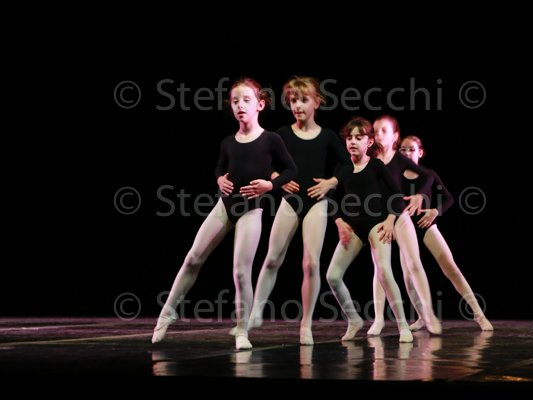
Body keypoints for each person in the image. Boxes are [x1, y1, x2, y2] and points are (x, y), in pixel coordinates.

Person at [151, 77, 298, 350]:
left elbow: (291, 170)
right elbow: (220, 168)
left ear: (260, 105)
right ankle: (166, 313)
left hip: (251, 210)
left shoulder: (271, 139)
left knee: (241, 273)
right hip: (224, 206)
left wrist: (271, 185)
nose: (240, 105)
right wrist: (219, 179)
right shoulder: (228, 142)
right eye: (235, 101)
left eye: (246, 100)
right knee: (193, 258)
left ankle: (242, 331)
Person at [230, 76, 352, 345]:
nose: (297, 105)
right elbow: (267, 162)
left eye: (303, 100)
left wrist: (331, 182)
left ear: (316, 102)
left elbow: (347, 165)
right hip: (290, 201)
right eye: (293, 100)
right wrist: (277, 178)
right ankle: (255, 312)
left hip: (316, 202)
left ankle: (305, 325)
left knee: (311, 263)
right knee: (273, 258)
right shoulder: (282, 134)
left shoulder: (328, 136)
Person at [325, 116, 413, 343]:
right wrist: (338, 221)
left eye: (359, 137)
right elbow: (331, 199)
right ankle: (354, 319)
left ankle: (403, 325)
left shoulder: (375, 165)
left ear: (369, 142)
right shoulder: (342, 168)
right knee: (332, 276)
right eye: (349, 138)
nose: (353, 142)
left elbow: (397, 195)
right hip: (353, 228)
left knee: (384, 270)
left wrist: (390, 220)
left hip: (376, 224)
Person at [397, 134, 493, 331]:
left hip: (425, 225)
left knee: (451, 267)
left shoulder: (428, 174)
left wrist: (435, 211)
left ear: (420, 153)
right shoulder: (394, 175)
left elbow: (449, 198)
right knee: (408, 276)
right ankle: (422, 317)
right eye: (403, 150)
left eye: (411, 150)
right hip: (405, 229)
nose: (407, 153)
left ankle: (478, 314)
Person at [368, 115, 442, 336]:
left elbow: (429, 176)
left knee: (413, 262)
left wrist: (420, 195)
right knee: (380, 268)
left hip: (399, 215)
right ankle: (379, 319)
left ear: (395, 136)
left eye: (383, 130)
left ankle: (428, 313)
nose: (378, 134)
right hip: (378, 218)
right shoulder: (370, 158)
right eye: (375, 130)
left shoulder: (400, 160)